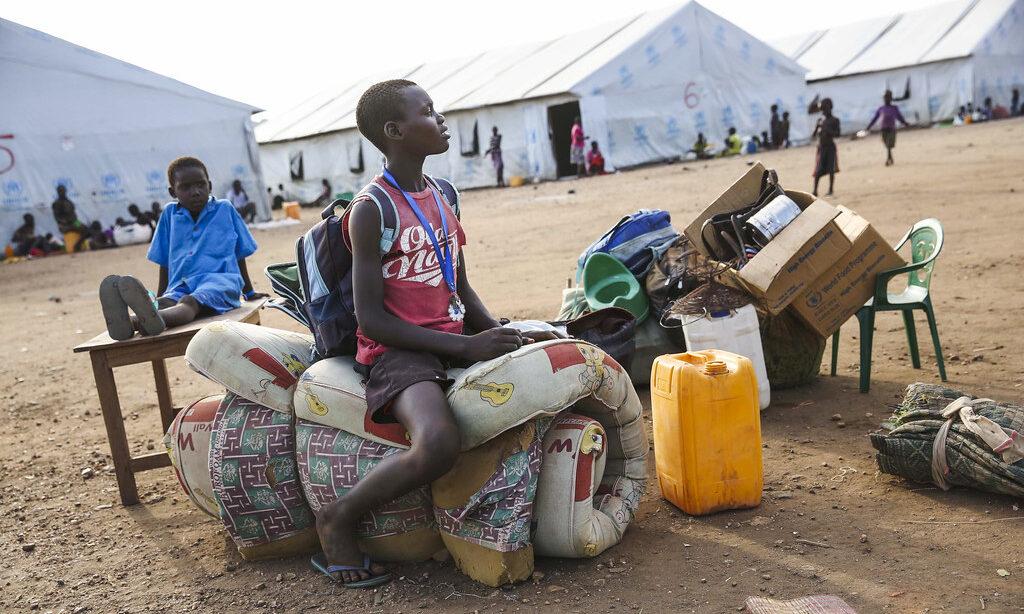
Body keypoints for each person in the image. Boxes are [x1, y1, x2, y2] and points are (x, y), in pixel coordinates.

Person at [314, 79, 556, 588]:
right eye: (428, 111)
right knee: (439, 443)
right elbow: (372, 320)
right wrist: (465, 348)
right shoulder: (371, 210)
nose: (440, 118)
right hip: (398, 348)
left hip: (452, 330)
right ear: (394, 131)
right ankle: (337, 520)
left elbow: (458, 281)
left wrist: (496, 332)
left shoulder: (444, 193)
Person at [98, 157, 268, 341]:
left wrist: (249, 293)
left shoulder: (224, 209)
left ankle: (135, 322)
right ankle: (147, 312)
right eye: (185, 187)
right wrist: (160, 296)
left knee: (189, 303)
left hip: (220, 283)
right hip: (181, 284)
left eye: (200, 185)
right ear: (173, 192)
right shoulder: (169, 215)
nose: (195, 192)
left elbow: (239, 253)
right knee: (165, 302)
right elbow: (164, 261)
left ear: (209, 186)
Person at [865, 90, 910, 167]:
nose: (886, 99)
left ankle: (888, 159)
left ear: (891, 98)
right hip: (883, 129)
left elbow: (899, 117)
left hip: (891, 129)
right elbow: (875, 118)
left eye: (888, 97)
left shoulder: (894, 108)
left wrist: (905, 123)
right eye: (885, 98)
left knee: (889, 145)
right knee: (887, 145)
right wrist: (868, 127)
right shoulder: (881, 108)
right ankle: (891, 158)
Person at [812, 98, 840, 197]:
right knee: (818, 170)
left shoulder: (835, 120)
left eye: (825, 108)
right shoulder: (820, 120)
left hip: (830, 147)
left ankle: (831, 189)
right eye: (822, 109)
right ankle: (815, 190)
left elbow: (837, 134)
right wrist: (817, 128)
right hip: (822, 148)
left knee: (831, 169)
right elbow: (814, 135)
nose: (823, 111)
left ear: (830, 108)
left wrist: (828, 130)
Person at [51, 184, 88, 252]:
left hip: (74, 222)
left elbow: (73, 214)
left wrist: (76, 222)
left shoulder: (68, 201)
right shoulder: (56, 203)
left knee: (87, 229)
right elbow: (57, 218)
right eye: (60, 191)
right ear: (58, 192)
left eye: (63, 191)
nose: (62, 192)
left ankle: (78, 244)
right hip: (65, 225)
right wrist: (67, 222)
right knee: (82, 229)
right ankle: (76, 246)